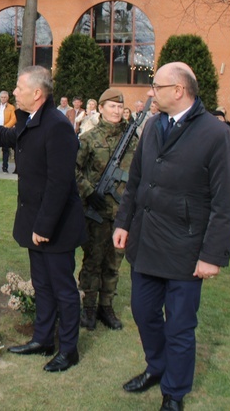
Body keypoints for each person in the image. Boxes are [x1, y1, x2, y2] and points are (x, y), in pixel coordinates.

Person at [113, 62, 230, 411]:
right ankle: (157, 366)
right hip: (146, 242)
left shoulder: (216, 135)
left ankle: (174, 391)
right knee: (143, 311)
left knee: (180, 327)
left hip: (186, 250)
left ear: (179, 90)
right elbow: (136, 180)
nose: (151, 92)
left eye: (157, 86)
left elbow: (227, 203)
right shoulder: (154, 125)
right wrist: (123, 222)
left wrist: (212, 256)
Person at [0, 66, 86, 373]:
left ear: (37, 94)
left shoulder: (57, 126)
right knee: (42, 286)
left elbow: (60, 184)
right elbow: (6, 137)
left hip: (54, 225)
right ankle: (43, 339)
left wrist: (44, 228)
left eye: (19, 88)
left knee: (63, 290)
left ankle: (69, 350)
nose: (13, 92)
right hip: (35, 221)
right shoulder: (31, 119)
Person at [76, 88, 136, 331]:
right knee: (92, 262)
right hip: (96, 213)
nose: (117, 111)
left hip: (121, 214)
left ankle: (106, 306)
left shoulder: (132, 140)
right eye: (112, 106)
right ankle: (88, 307)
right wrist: (89, 191)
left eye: (120, 107)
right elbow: (74, 170)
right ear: (100, 109)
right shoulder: (88, 138)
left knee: (113, 264)